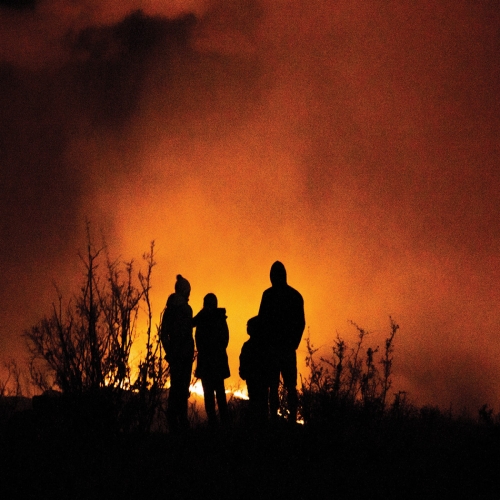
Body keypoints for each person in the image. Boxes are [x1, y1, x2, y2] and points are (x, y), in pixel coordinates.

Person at [258, 261, 305, 424]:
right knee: (289, 386)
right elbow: (300, 323)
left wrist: (264, 343)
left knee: (273, 385)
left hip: (273, 349)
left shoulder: (268, 295)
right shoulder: (295, 296)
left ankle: (274, 418)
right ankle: (291, 418)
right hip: (285, 348)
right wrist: (293, 343)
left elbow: (262, 321)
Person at [160, 274, 194, 432]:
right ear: (185, 291)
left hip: (176, 355)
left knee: (175, 388)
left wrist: (169, 351)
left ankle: (173, 422)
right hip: (185, 355)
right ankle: (182, 422)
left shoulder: (169, 309)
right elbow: (187, 334)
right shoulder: (186, 310)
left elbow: (163, 334)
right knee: (182, 389)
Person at [193, 293, 230, 427]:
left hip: (209, 362)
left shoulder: (206, 318)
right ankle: (220, 424)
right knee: (216, 394)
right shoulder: (219, 318)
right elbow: (225, 339)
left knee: (213, 394)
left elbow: (191, 323)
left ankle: (217, 424)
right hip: (216, 362)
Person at [239, 316, 272, 426]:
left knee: (256, 402)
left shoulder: (249, 345)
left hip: (254, 379)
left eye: (249, 326)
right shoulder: (264, 345)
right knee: (261, 403)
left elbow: (243, 360)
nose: (247, 328)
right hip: (258, 379)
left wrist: (243, 372)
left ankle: (258, 426)